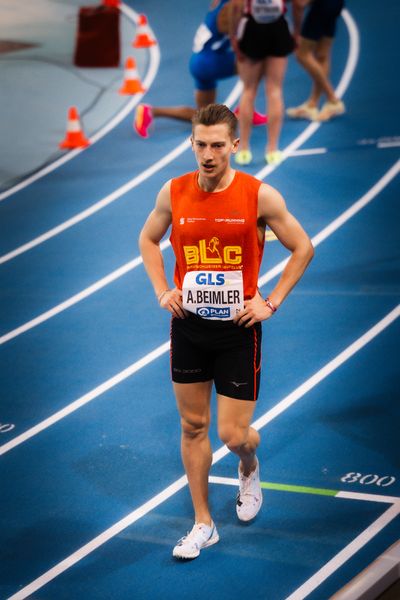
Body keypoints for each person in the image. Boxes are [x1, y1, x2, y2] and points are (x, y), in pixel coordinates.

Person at [139, 103, 314, 559]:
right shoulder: (172, 192)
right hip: (189, 328)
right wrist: (162, 290)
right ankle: (203, 523)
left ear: (235, 145)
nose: (208, 154)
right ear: (191, 143)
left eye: (218, 145)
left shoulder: (260, 196)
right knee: (193, 425)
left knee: (234, 435)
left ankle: (249, 466)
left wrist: (271, 301)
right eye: (200, 144)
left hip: (238, 329)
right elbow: (147, 239)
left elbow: (303, 248)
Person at [134, 0, 266, 138]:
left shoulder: (220, 3)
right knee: (259, 60)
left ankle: (151, 111)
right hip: (210, 62)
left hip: (199, 61)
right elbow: (236, 32)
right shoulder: (232, 7)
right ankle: (246, 108)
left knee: (206, 117)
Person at [229, 0, 296, 166]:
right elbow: (299, 4)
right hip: (278, 29)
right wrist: (298, 30)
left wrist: (233, 38)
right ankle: (272, 150)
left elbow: (236, 7)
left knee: (248, 91)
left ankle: (243, 148)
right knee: (275, 90)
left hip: (253, 30)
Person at [287, 0, 345, 121]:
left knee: (301, 54)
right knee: (322, 55)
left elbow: (299, 4)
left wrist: (297, 32)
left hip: (321, 8)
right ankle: (312, 104)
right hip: (336, 4)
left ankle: (333, 99)